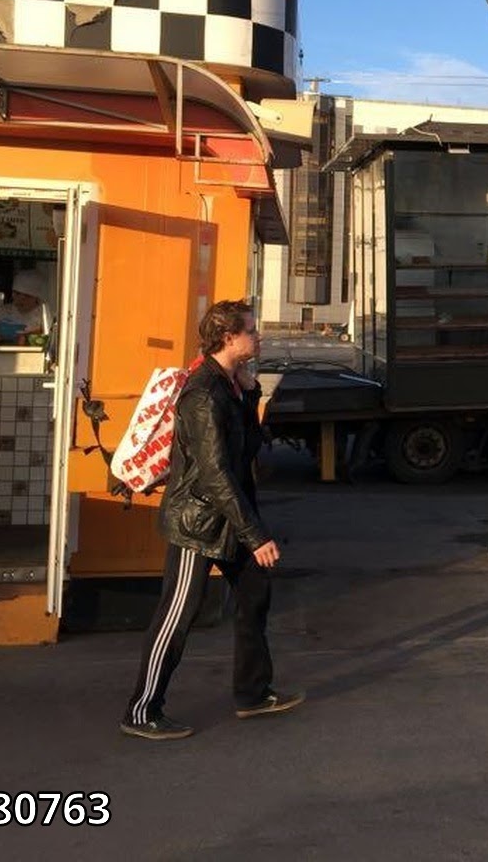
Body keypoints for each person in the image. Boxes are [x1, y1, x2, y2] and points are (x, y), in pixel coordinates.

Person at [121, 299, 302, 740]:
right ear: (228, 337)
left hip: (229, 516)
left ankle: (253, 694)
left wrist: (252, 390)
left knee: (254, 594)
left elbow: (250, 448)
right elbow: (215, 473)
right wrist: (256, 534)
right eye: (250, 331)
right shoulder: (203, 393)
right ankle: (142, 710)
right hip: (198, 522)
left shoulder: (231, 384)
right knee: (177, 613)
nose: (257, 337)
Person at [0, 269, 49, 344]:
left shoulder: (45, 315)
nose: (20, 299)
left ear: (37, 298)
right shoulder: (2, 312)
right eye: (17, 294)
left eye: (27, 296)